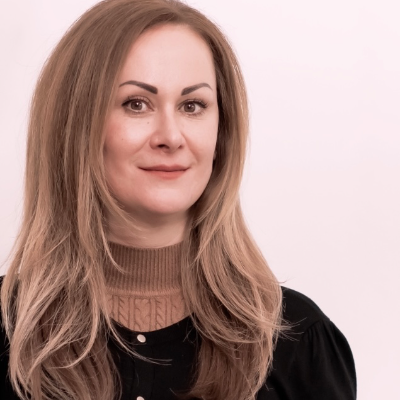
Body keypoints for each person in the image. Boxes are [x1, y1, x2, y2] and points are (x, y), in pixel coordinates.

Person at [0, 0, 356, 399]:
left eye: (192, 106)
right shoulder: (7, 334)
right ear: (75, 125)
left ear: (221, 133)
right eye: (136, 104)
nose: (170, 136)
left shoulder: (297, 342)